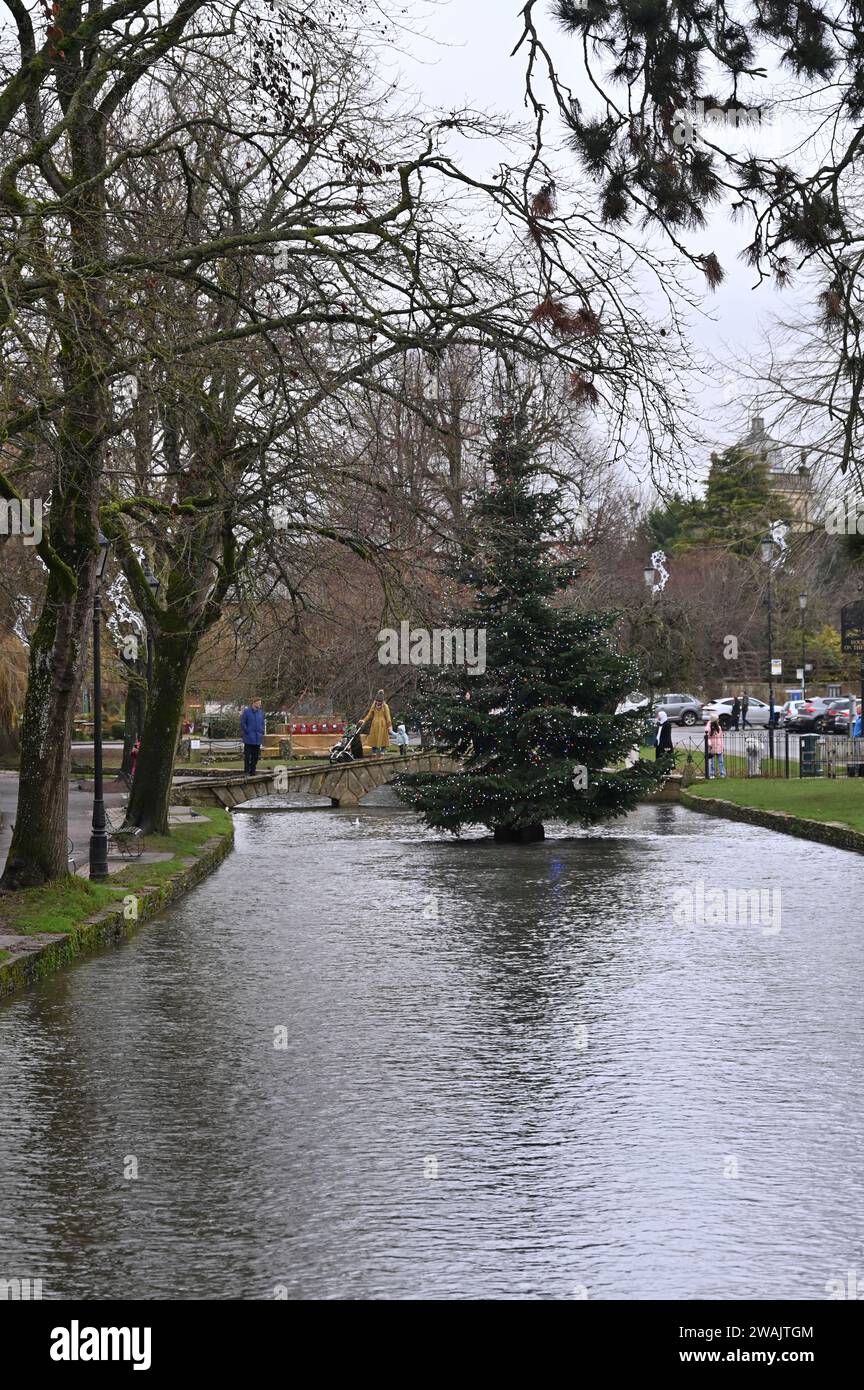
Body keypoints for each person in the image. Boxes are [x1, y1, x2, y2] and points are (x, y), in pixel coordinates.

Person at [361, 689, 392, 755]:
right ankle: (374, 750)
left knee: (383, 737)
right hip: (374, 723)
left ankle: (383, 749)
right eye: (377, 701)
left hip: (382, 724)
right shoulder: (374, 706)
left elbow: (388, 717)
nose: (378, 703)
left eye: (379, 701)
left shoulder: (385, 706)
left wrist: (389, 726)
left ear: (382, 701)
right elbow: (369, 714)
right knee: (373, 736)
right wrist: (364, 720)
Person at [241, 697, 265, 774]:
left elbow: (262, 723)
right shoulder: (246, 712)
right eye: (258, 703)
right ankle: (246, 771)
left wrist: (262, 731)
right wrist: (247, 730)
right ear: (254, 703)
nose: (260, 705)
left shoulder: (261, 713)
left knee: (255, 756)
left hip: (258, 738)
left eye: (260, 703)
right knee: (248, 756)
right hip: (248, 738)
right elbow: (243, 723)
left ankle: (253, 770)